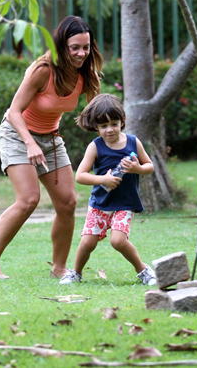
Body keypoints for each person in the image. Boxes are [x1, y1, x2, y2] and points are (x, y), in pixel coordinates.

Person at [0, 16, 103, 280]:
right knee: (28, 200)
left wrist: (114, 143)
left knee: (68, 202)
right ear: (61, 46)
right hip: (17, 133)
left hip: (50, 137)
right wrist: (29, 143)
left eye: (86, 47)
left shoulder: (86, 75)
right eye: (75, 48)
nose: (81, 53)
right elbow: (14, 111)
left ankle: (59, 268)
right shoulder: (44, 70)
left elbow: (97, 116)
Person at [59, 94, 157, 285]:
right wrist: (103, 179)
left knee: (118, 241)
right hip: (100, 204)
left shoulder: (133, 142)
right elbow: (80, 175)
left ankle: (144, 271)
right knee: (88, 242)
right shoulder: (95, 146)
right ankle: (75, 273)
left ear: (123, 121)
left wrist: (137, 169)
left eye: (114, 123)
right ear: (96, 127)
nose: (109, 129)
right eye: (103, 126)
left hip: (125, 203)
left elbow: (149, 166)